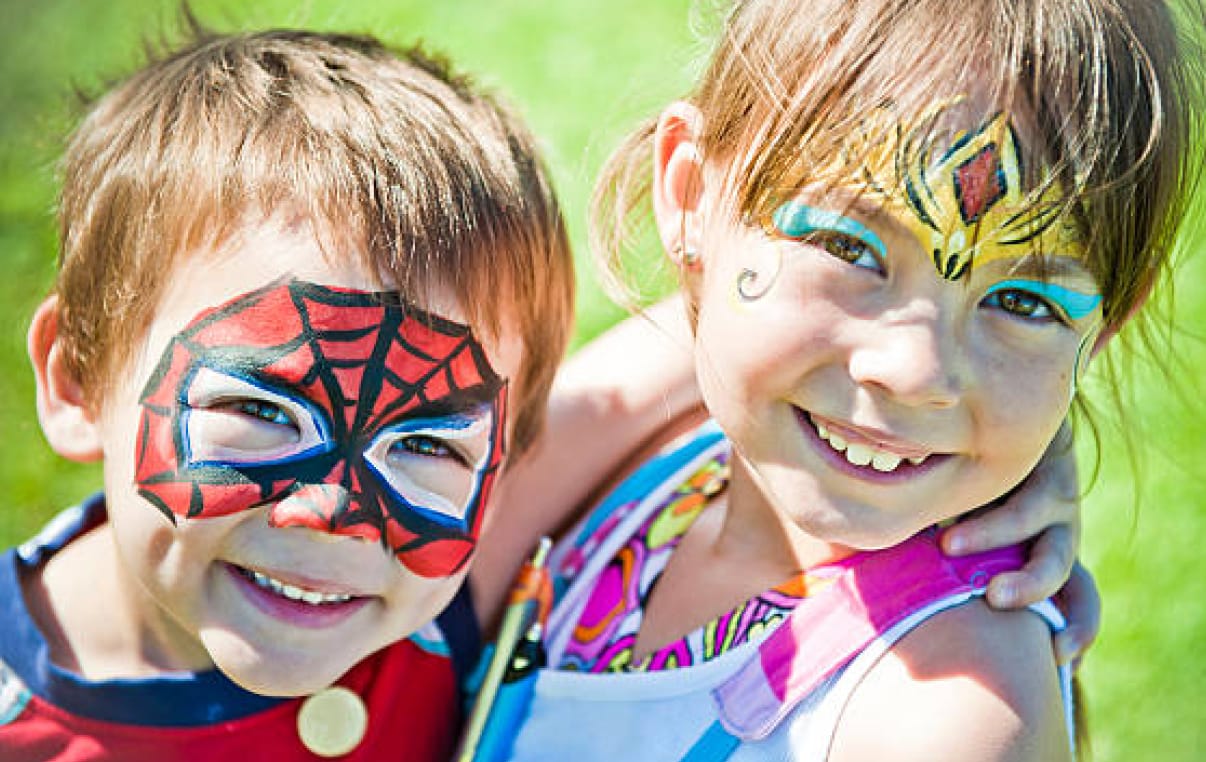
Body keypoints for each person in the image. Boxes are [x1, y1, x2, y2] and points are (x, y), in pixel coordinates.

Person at [0, 14, 1092, 762]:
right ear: (78, 376)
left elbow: (727, 357)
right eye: (260, 410)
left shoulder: (431, 578)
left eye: (425, 442)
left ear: (505, 452)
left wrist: (994, 412)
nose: (332, 511)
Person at [498, 0, 1203, 759]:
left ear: (1100, 334)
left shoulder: (947, 717)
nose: (915, 370)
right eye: (848, 245)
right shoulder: (649, 451)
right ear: (691, 196)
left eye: (1025, 301)